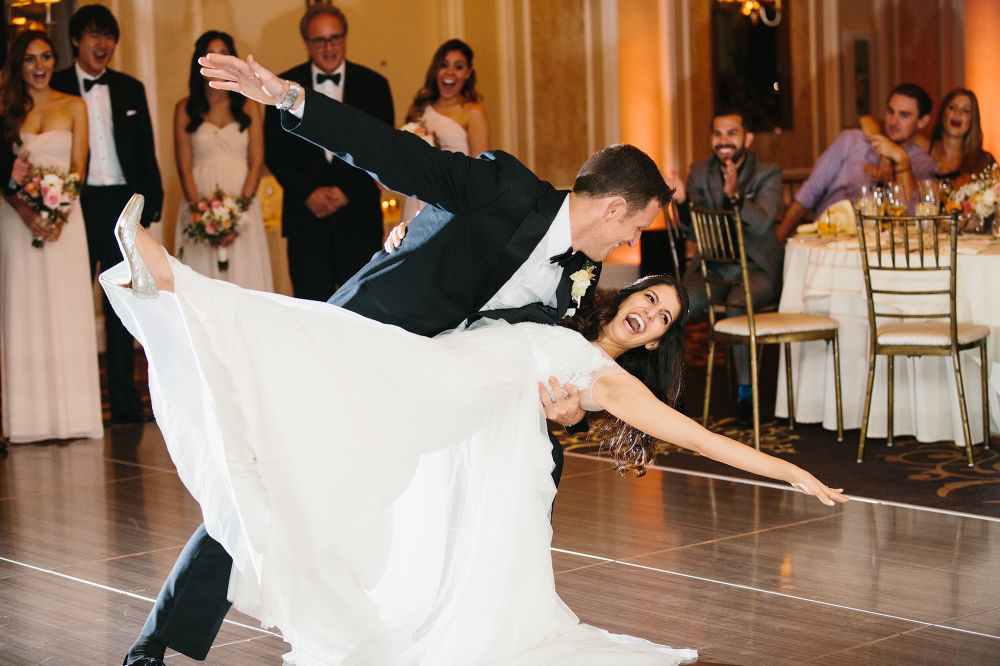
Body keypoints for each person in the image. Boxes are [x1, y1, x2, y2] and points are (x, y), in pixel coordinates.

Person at [106, 194, 846, 662]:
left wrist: (791, 471)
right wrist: (403, 239)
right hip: (423, 368)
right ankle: (167, 284)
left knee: (308, 346)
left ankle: (170, 279)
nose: (646, 315)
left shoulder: (603, 379)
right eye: (649, 299)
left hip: (429, 392)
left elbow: (695, 435)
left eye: (659, 322)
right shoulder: (555, 309)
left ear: (655, 342)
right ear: (630, 288)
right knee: (293, 412)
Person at [119, 48, 670, 666]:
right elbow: (396, 156)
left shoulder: (581, 274)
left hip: (417, 396)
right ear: (615, 207)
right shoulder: (505, 188)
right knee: (269, 475)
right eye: (636, 226)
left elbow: (539, 350)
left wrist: (564, 412)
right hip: (360, 342)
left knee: (311, 498)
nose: (631, 241)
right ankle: (156, 645)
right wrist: (287, 99)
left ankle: (382, 628)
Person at [50, 4, 164, 424]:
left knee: (123, 304)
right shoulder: (57, 86)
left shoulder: (130, 88)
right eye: (94, 35)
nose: (103, 44)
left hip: (122, 207)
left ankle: (124, 403)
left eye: (109, 36)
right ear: (76, 40)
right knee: (70, 302)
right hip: (76, 207)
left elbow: (146, 152)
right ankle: (73, 402)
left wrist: (151, 206)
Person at [0, 31, 103, 443]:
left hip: (65, 220)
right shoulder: (5, 109)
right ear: (17, 65)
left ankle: (75, 417)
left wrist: (59, 211)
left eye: (45, 57)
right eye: (29, 59)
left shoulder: (74, 105)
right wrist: (26, 211)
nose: (39, 66)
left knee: (65, 306)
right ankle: (27, 422)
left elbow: (78, 166)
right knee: (23, 308)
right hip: (16, 221)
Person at [265, 2, 394, 302]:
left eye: (335, 37)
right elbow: (275, 152)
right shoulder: (281, 87)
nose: (329, 47)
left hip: (359, 218)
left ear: (345, 37)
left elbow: (384, 149)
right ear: (306, 43)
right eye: (320, 40)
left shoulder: (375, 85)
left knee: (365, 309)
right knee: (311, 313)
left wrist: (349, 189)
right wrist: (308, 193)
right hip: (306, 222)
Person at [665, 108, 782, 427]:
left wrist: (735, 197)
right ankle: (670, 390)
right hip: (713, 267)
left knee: (735, 308)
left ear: (747, 137)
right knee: (675, 304)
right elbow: (689, 233)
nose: (724, 140)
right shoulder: (700, 172)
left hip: (756, 267)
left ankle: (747, 395)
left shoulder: (768, 172)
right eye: (717, 133)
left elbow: (760, 224)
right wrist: (684, 202)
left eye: (731, 133)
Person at [173, 31, 272, 291]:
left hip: (243, 201)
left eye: (225, 54)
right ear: (200, 60)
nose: (218, 60)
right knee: (202, 281)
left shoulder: (250, 104)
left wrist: (237, 213)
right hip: (199, 200)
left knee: (245, 280)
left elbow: (257, 162)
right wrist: (200, 214)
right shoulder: (184, 108)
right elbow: (183, 166)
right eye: (211, 54)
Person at [777, 83, 937, 242]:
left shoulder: (923, 163)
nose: (893, 121)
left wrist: (900, 158)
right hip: (828, 238)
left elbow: (913, 218)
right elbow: (810, 193)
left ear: (922, 122)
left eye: (904, 115)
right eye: (890, 111)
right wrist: (778, 241)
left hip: (880, 249)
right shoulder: (851, 140)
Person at [399, 38, 490, 224]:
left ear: (468, 73)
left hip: (449, 199)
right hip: (415, 196)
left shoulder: (472, 112)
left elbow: (479, 169)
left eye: (458, 67)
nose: (450, 72)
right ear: (435, 70)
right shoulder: (418, 108)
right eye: (444, 65)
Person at [928, 88, 996, 186]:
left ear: (972, 121)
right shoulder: (924, 150)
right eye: (952, 107)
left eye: (966, 111)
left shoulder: (984, 161)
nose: (958, 113)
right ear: (943, 113)